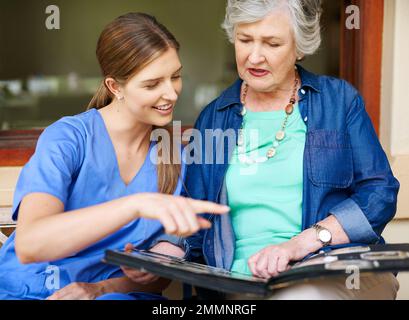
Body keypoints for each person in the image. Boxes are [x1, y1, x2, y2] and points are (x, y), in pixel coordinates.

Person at [0, 12, 228, 300]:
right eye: (152, 84)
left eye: (176, 76)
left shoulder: (174, 156)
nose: (171, 93)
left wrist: (102, 287)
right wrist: (134, 205)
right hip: (29, 291)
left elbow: (155, 281)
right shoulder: (68, 138)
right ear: (115, 86)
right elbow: (31, 243)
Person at [182, 0, 400, 300]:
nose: (254, 56)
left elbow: (379, 193)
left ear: (300, 47)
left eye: (272, 43)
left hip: (331, 268)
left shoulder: (339, 102)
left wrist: (302, 244)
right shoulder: (213, 117)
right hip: (241, 285)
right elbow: (193, 219)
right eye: (245, 40)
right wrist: (163, 251)